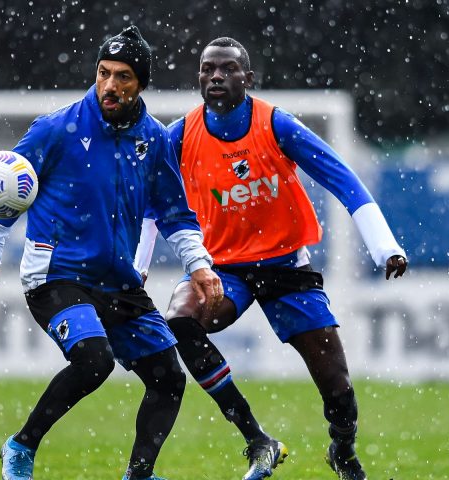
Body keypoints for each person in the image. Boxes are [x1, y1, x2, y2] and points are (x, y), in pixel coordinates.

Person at [135, 37, 408, 480]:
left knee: (336, 385)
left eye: (227, 69)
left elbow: (343, 179)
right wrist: (137, 269)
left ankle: (342, 447)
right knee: (180, 318)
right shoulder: (180, 135)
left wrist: (385, 246)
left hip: (285, 268)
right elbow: (149, 205)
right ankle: (256, 437)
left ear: (249, 77)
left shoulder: (277, 125)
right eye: (207, 69)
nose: (216, 77)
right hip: (221, 268)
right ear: (199, 77)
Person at [0, 26, 224, 480]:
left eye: (123, 76)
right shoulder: (55, 129)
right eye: (103, 73)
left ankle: (139, 474)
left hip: (118, 281)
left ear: (140, 83)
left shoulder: (155, 140)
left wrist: (199, 265)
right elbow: (0, 190)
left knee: (169, 377)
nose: (110, 85)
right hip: (56, 275)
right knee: (94, 360)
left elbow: (175, 213)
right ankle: (20, 447)